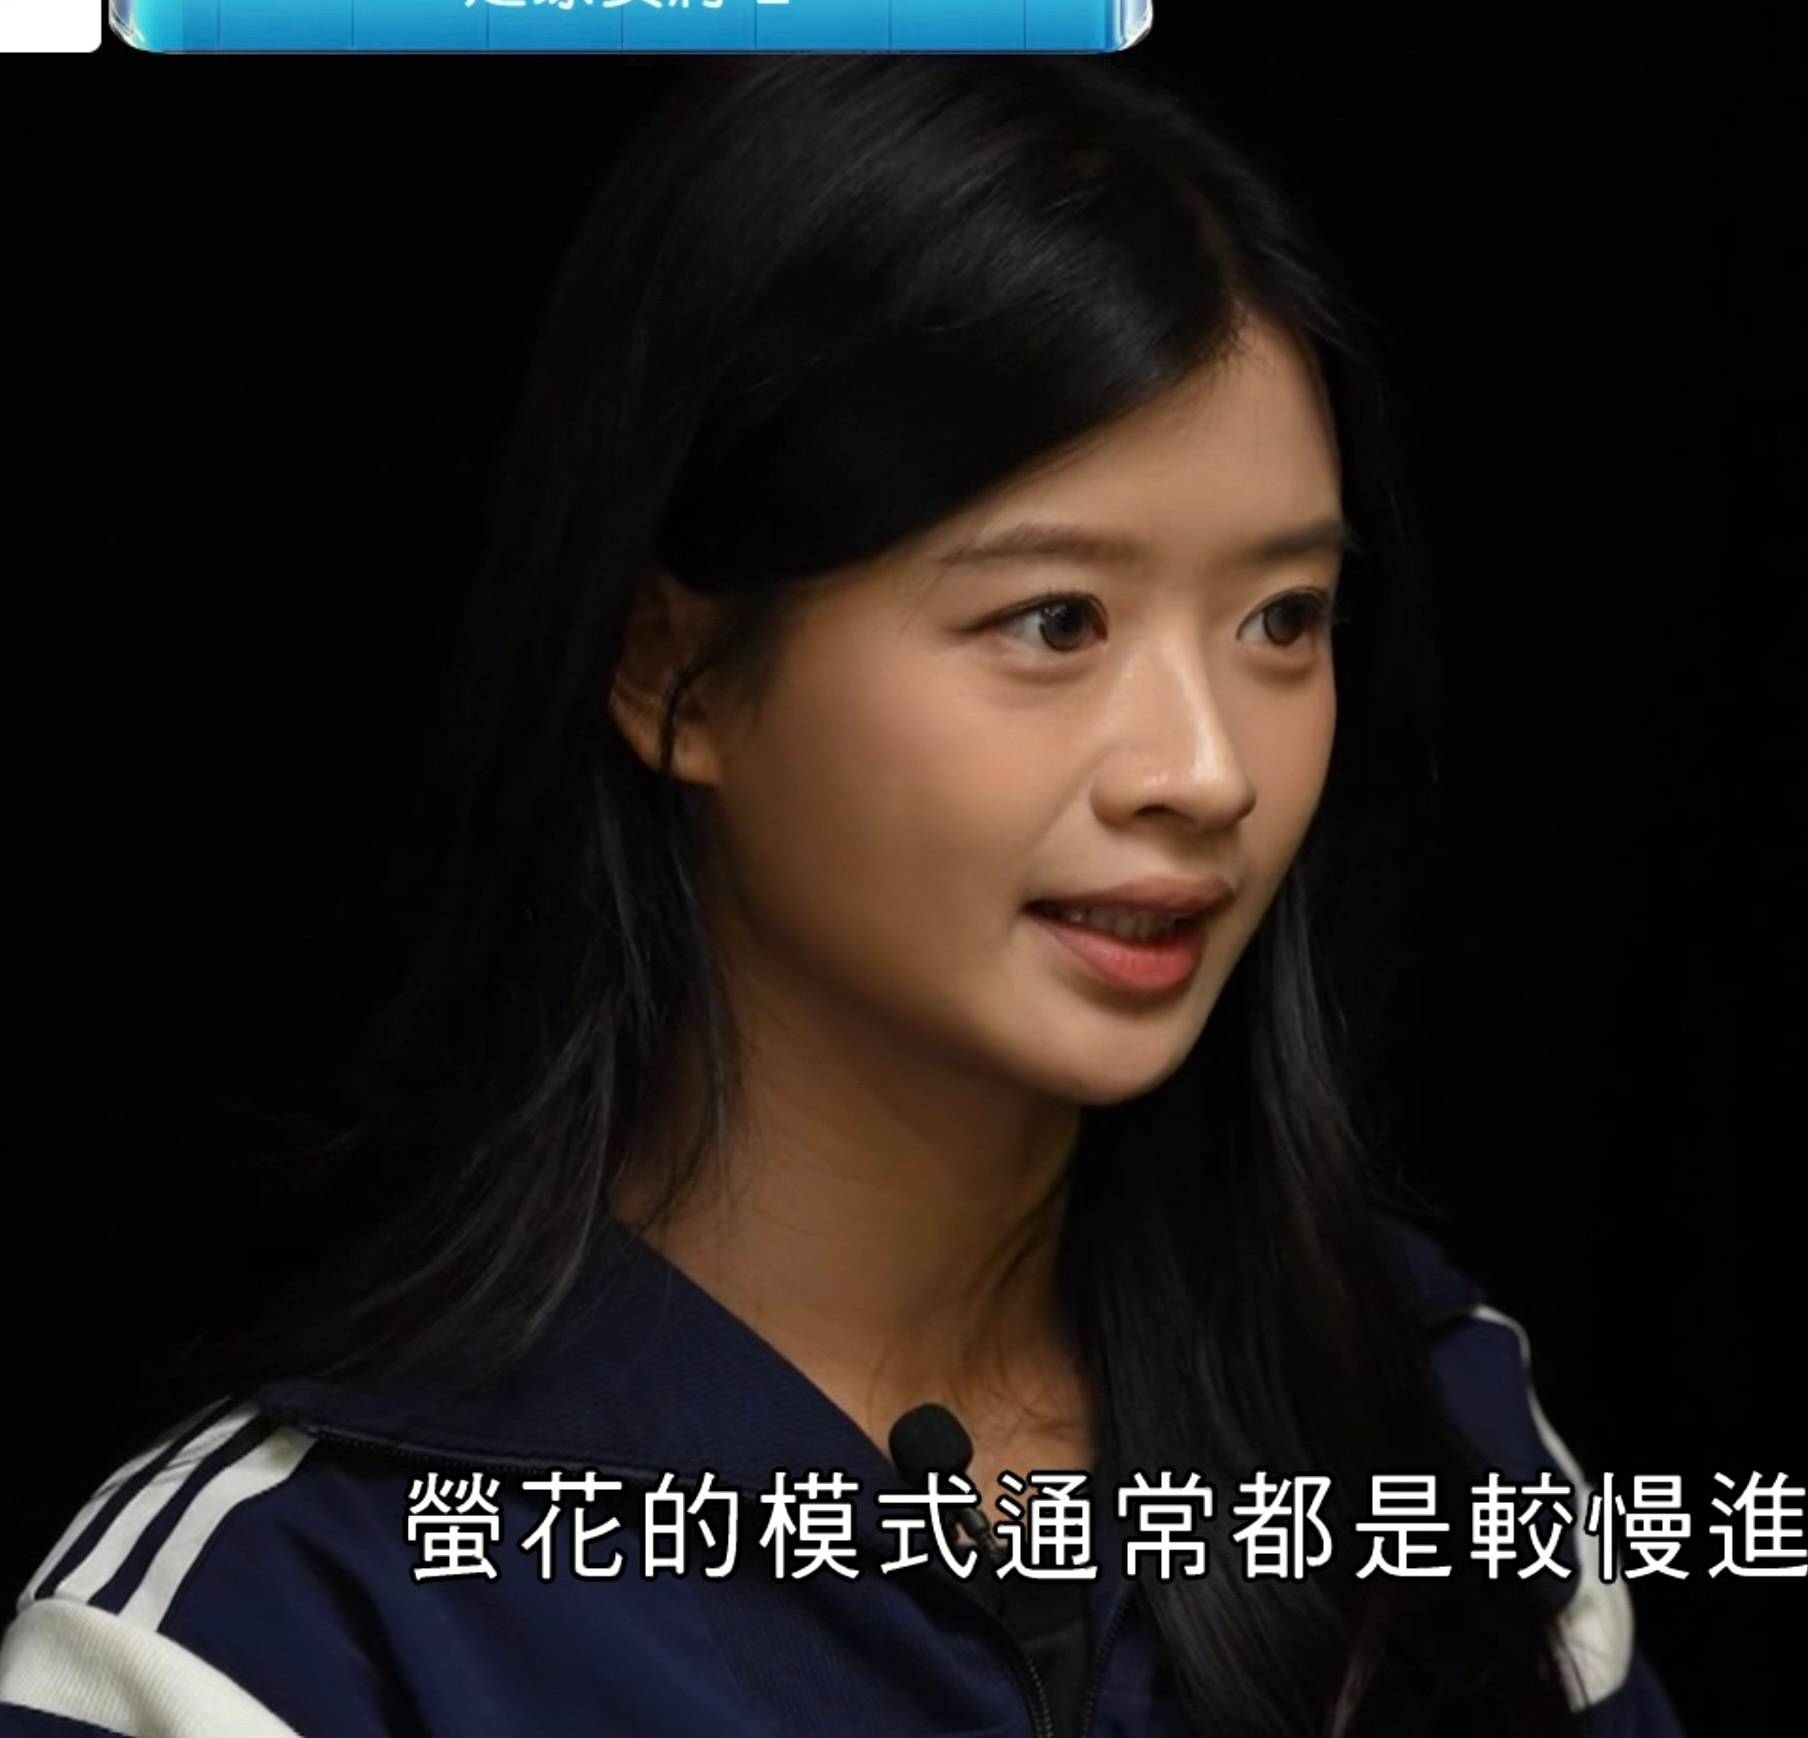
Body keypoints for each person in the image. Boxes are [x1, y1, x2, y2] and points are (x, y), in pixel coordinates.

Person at [1, 56, 1685, 1738]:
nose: (1204, 767)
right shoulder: (280, 1629)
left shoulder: (1437, 1428)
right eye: (1055, 620)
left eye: (1282, 620)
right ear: (672, 668)